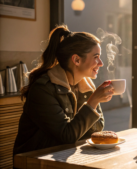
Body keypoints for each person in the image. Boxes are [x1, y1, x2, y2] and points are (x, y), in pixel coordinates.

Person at [13, 25, 114, 156]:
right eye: (96, 57)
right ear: (76, 60)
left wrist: (93, 102)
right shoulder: (43, 89)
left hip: (64, 155)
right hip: (35, 160)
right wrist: (92, 102)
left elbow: (98, 128)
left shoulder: (85, 85)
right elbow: (67, 136)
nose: (101, 63)